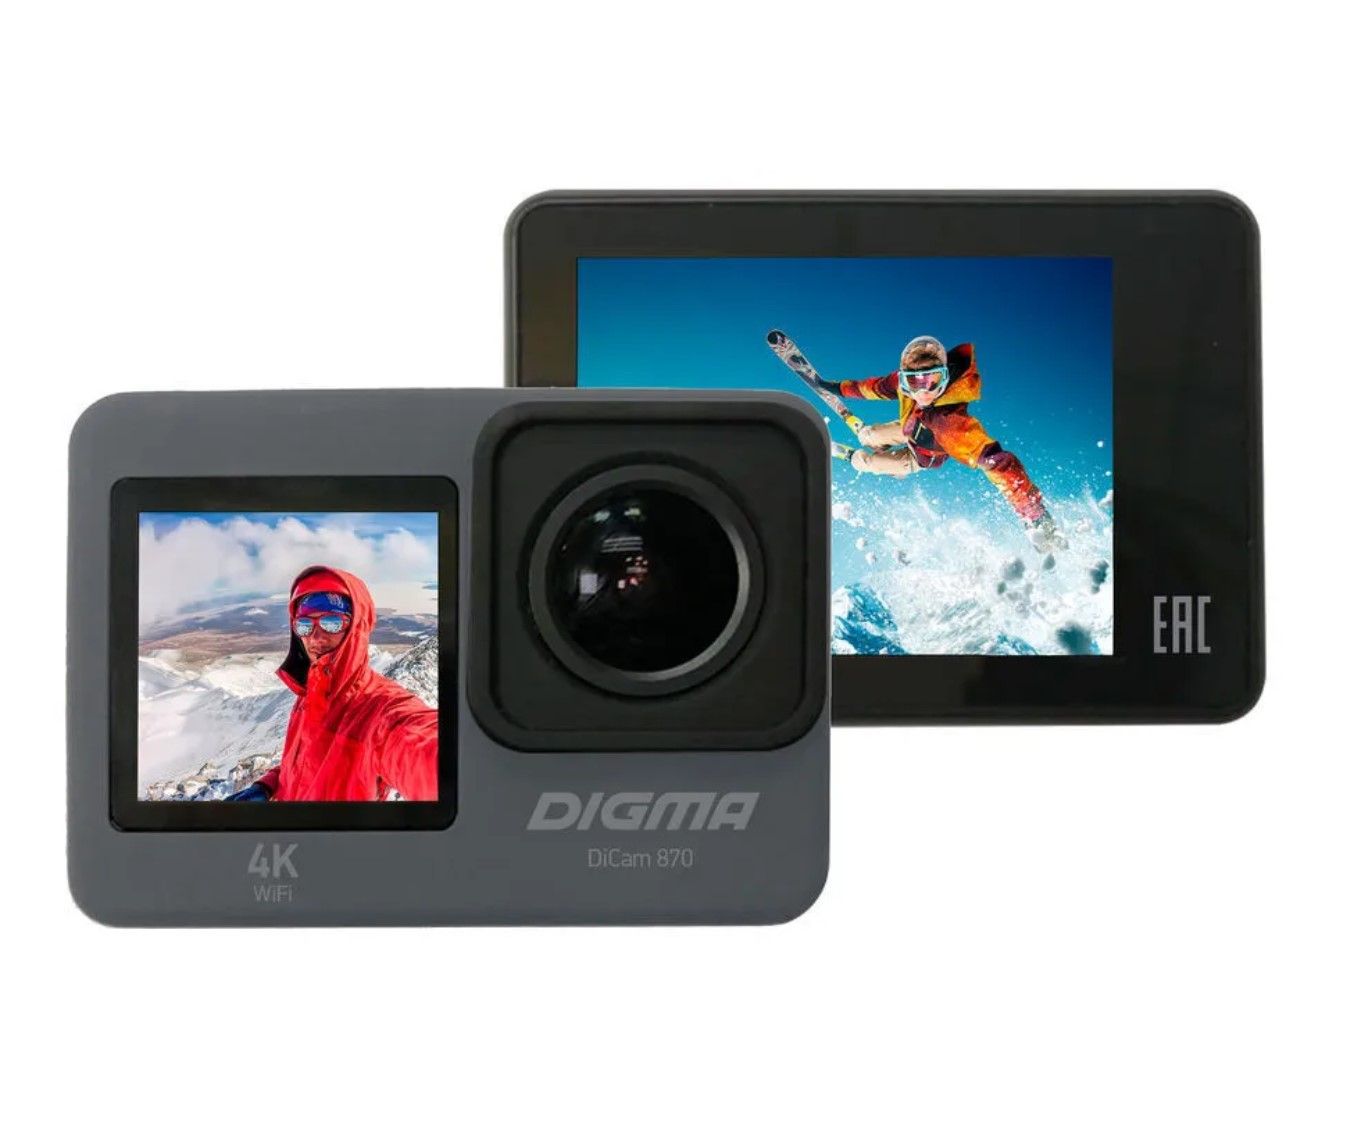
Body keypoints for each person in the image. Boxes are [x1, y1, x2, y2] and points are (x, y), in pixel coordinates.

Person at [819, 335, 1065, 552]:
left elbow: (998, 463)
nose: (924, 391)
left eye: (933, 380)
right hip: (910, 428)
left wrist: (1034, 514)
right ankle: (867, 435)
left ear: (945, 377)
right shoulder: (902, 385)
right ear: (903, 380)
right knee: (869, 435)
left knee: (867, 463)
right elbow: (873, 388)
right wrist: (837, 388)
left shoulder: (949, 422)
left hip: (921, 457)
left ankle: (855, 457)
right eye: (915, 382)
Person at [225, 565, 438, 802]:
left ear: (357, 626)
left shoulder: (379, 712)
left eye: (332, 622)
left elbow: (425, 749)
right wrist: (267, 786)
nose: (315, 637)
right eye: (304, 625)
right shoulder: (308, 695)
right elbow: (307, 763)